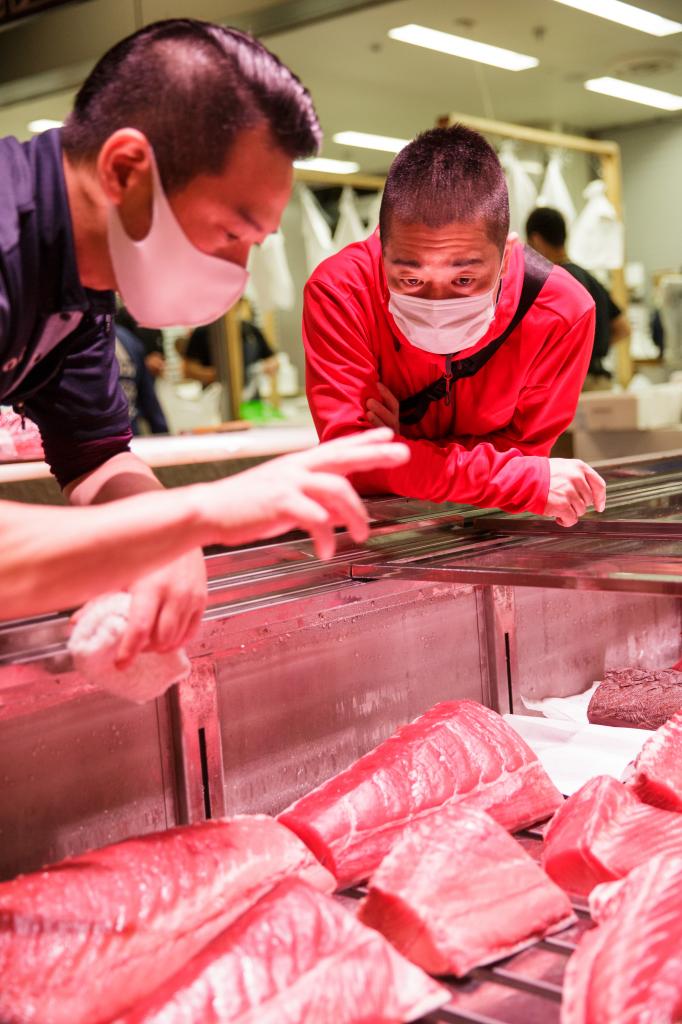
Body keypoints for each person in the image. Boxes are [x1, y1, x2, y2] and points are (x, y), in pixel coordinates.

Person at [0, 19, 408, 661]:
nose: (239, 276)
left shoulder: (79, 286)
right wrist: (198, 514)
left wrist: (166, 542)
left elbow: (97, 457)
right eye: (230, 234)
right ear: (127, 171)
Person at [303, 126, 607, 529]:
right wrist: (513, 477)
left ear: (505, 257)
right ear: (383, 253)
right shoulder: (340, 292)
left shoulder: (562, 313)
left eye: (465, 280)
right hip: (382, 535)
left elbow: (525, 452)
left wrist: (401, 452)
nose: (436, 304)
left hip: (489, 532)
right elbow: (352, 461)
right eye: (409, 279)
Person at [526, 206, 630, 385]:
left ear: (535, 240)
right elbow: (623, 328)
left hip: (572, 384)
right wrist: (593, 349)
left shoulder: (554, 282)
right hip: (601, 382)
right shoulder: (590, 279)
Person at [182, 298, 278, 399]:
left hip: (251, 399)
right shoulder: (202, 332)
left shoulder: (251, 331)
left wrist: (269, 366)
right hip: (215, 398)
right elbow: (188, 369)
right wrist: (213, 375)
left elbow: (272, 359)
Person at [114, 323, 169, 434]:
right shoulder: (129, 339)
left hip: (89, 442)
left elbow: (149, 398)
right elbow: (150, 401)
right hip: (128, 436)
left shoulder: (129, 340)